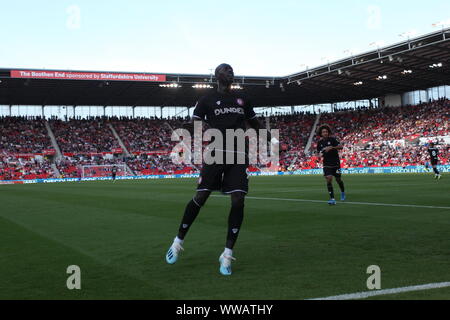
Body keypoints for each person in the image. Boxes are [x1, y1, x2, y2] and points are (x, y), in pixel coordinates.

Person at [165, 63, 277, 276]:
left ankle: (226, 254)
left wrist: (271, 140)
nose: (230, 72)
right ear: (217, 75)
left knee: (238, 199)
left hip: (238, 153)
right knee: (201, 196)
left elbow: (255, 124)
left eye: (232, 70)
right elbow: (196, 119)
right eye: (226, 69)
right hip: (215, 151)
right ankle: (177, 242)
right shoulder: (206, 99)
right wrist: (205, 128)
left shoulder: (243, 99)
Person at [316, 125, 346, 205]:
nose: (325, 133)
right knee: (329, 179)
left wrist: (332, 147)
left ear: (328, 132)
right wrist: (319, 156)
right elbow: (318, 153)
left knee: (338, 179)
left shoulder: (332, 139)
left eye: (326, 131)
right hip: (326, 164)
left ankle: (342, 192)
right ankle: (332, 198)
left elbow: (341, 147)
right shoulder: (319, 143)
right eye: (323, 132)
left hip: (336, 163)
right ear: (321, 133)